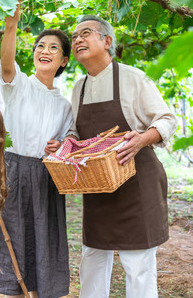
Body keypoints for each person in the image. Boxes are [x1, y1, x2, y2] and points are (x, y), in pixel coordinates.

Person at [67, 15, 177, 298]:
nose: (77, 39)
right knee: (92, 258)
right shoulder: (78, 88)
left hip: (137, 182)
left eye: (85, 33)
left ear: (107, 41)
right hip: (99, 186)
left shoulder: (132, 77)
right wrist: (67, 143)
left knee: (138, 264)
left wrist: (142, 139)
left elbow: (166, 119)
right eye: (75, 36)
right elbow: (74, 132)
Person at [0, 5, 73, 298]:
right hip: (13, 169)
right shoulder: (20, 85)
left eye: (54, 48)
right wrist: (11, 24)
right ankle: (10, 292)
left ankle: (40, 292)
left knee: (43, 237)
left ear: (64, 60)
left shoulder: (64, 104)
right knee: (11, 238)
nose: (45, 50)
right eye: (41, 45)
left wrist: (60, 146)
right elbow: (6, 64)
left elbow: (69, 142)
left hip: (45, 176)